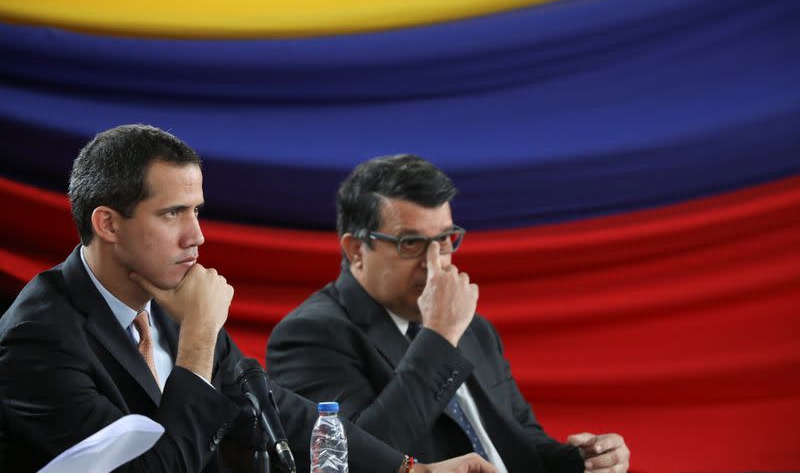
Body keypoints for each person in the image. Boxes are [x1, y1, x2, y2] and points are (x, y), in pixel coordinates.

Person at [0, 125, 496, 473]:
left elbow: (279, 411)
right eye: (172, 214)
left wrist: (410, 470)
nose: (196, 237)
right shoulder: (37, 339)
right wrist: (197, 341)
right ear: (107, 223)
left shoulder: (168, 298)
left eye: (197, 211)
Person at [267, 155, 631, 473]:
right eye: (411, 243)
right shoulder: (310, 334)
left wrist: (582, 459)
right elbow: (355, 460)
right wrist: (439, 337)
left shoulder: (472, 328)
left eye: (444, 240)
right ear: (356, 249)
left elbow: (520, 438)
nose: (435, 263)